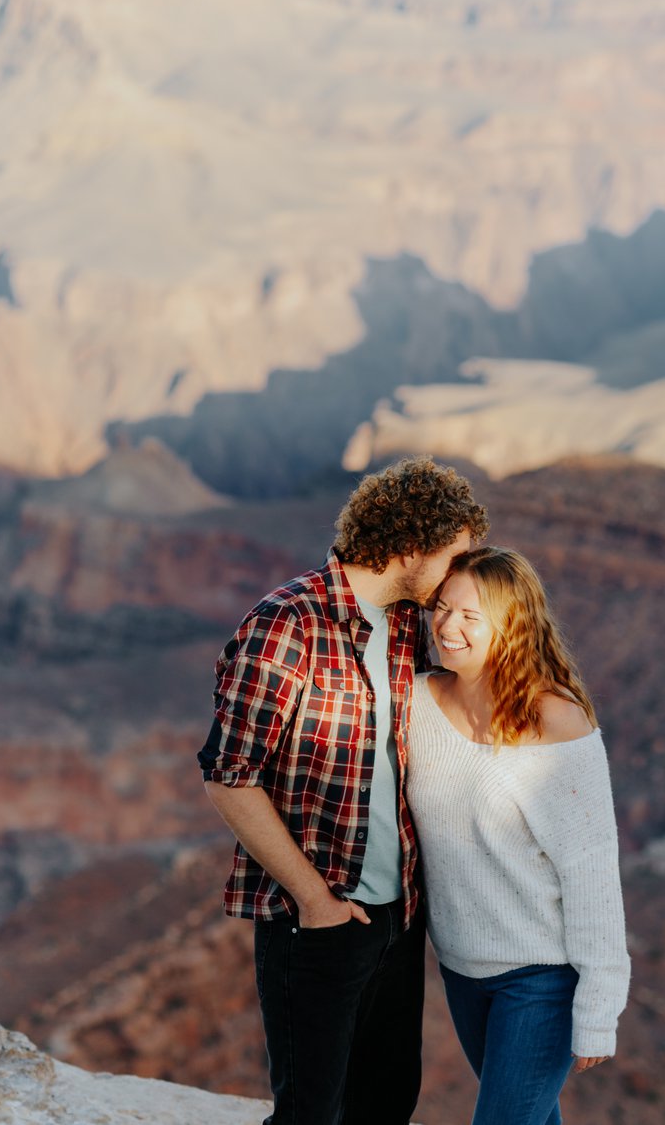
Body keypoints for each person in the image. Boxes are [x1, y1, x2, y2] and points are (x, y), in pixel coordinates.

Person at [198, 456, 490, 1125]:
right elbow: (228, 773)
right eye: (455, 556)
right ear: (410, 546)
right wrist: (315, 898)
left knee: (386, 1105)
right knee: (308, 1113)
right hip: (319, 921)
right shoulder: (287, 624)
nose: (460, 575)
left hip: (397, 918)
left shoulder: (405, 624)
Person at [406, 545, 630, 1125]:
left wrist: (599, 1008)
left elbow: (591, 869)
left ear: (514, 626)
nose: (448, 627)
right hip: (460, 969)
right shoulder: (417, 702)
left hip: (540, 979)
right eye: (441, 608)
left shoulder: (556, 722)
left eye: (470, 616)